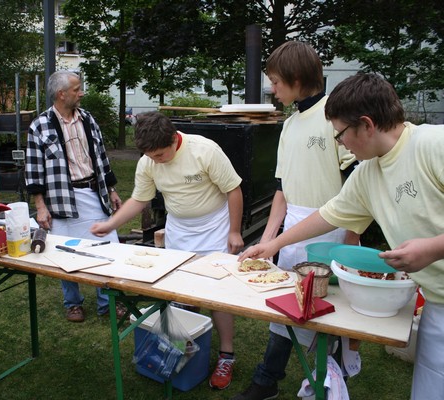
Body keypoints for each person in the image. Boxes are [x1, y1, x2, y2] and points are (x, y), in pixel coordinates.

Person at [240, 72, 444, 400]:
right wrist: (274, 243)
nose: (340, 144)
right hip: (436, 301)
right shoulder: (367, 173)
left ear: (366, 125)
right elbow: (328, 215)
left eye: (340, 135)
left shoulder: (434, 144)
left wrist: (433, 248)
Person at [230, 41, 359, 400]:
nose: (273, 89)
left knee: (326, 315)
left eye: (276, 81)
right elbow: (282, 191)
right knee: (284, 310)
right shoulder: (289, 125)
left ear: (297, 77)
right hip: (293, 232)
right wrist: (268, 242)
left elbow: (358, 189)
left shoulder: (336, 117)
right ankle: (268, 380)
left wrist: (350, 243)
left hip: (332, 229)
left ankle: (326, 383)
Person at [90, 111, 245, 390]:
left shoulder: (205, 151)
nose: (156, 161)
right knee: (181, 294)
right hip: (179, 229)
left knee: (217, 295)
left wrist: (234, 231)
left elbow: (234, 190)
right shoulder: (148, 161)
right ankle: (180, 351)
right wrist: (111, 223)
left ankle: (226, 355)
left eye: (160, 155)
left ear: (175, 139)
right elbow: (140, 199)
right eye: (150, 156)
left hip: (214, 227)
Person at [24, 70, 126, 323]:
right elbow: (33, 169)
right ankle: (73, 304)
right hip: (61, 200)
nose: (81, 93)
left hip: (93, 192)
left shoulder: (88, 120)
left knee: (107, 248)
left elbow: (101, 157)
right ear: (61, 94)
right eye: (76, 89)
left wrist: (111, 189)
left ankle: (107, 302)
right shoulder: (40, 126)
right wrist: (40, 206)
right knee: (64, 253)